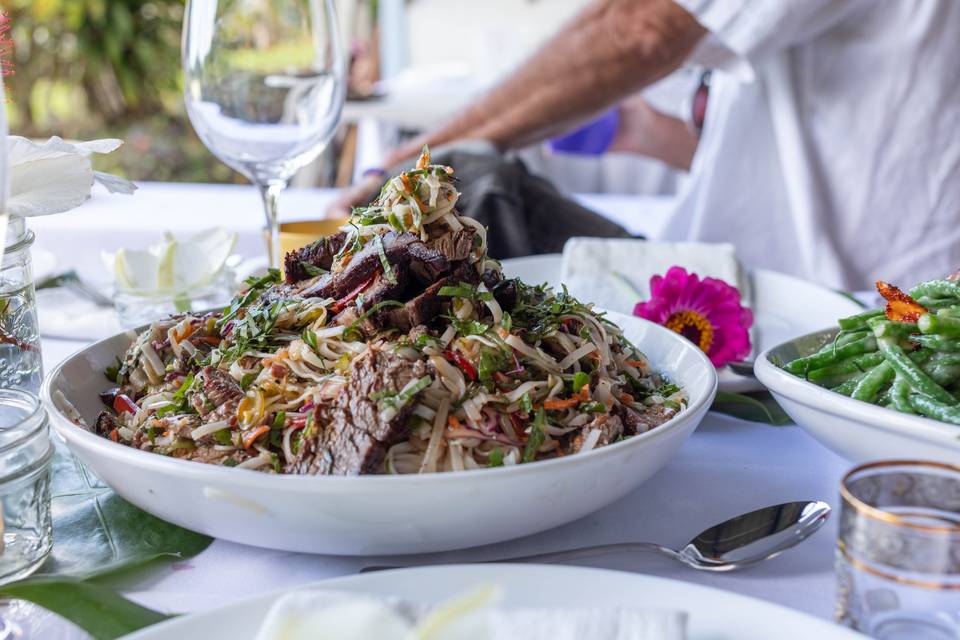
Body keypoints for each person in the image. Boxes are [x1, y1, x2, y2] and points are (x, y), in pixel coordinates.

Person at [331, 0, 960, 291]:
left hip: (802, 297)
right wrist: (635, 133)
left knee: (478, 182)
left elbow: (640, 30)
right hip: (753, 269)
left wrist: (411, 167)